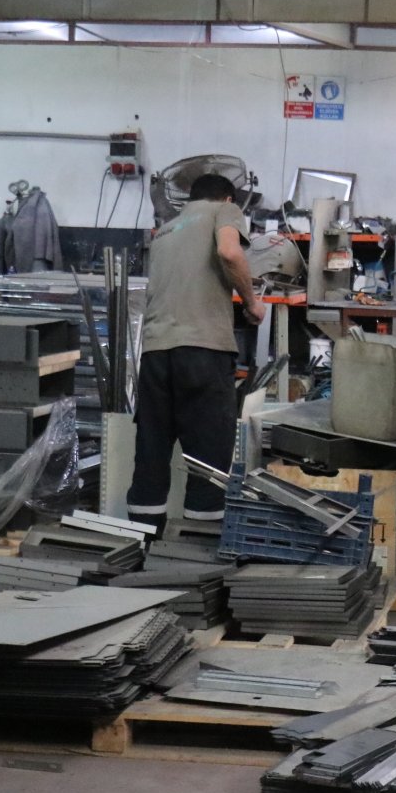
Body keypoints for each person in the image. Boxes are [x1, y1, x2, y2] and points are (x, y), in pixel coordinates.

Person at [126, 173, 268, 534]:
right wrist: (252, 302)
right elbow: (228, 251)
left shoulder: (167, 230)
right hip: (203, 352)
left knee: (152, 454)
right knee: (207, 459)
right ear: (226, 198)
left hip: (156, 354)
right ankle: (197, 558)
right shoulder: (225, 211)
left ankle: (142, 547)